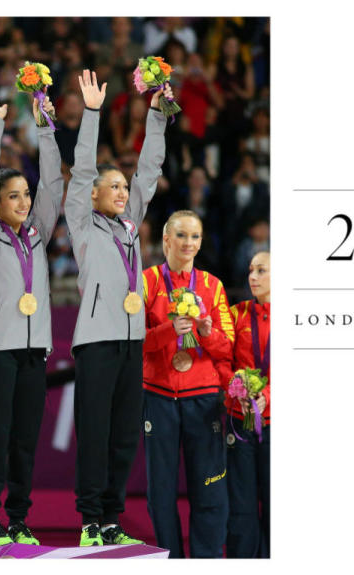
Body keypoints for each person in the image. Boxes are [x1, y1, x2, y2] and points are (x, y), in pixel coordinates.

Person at [65, 69, 168, 546]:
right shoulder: (83, 224)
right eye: (114, 188)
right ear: (93, 195)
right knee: (95, 433)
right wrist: (91, 114)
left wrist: (159, 113)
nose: (124, 193)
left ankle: (111, 519)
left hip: (132, 342)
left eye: (125, 189)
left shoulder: (129, 226)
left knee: (125, 437)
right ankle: (89, 521)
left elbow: (149, 168)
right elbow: (83, 168)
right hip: (96, 341)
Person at [0, 85, 63, 546]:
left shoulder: (36, 235)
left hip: (33, 349)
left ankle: (19, 518)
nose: (24, 203)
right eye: (13, 196)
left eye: (25, 196)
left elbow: (54, 185)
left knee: (25, 438)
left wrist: (45, 125)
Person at [140, 210, 234, 558]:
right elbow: (133, 340)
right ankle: (170, 561)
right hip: (159, 397)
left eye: (195, 237)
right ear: (166, 239)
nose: (189, 244)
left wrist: (207, 335)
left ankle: (206, 560)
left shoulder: (212, 286)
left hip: (203, 399)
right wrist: (168, 331)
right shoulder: (147, 281)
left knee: (209, 487)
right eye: (182, 236)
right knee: (160, 492)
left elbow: (228, 349)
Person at [224, 250, 271, 558]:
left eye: (261, 271)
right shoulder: (236, 313)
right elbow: (221, 361)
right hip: (239, 423)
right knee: (240, 505)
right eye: (251, 270)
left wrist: (271, 396)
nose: (252, 276)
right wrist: (235, 390)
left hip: (276, 424)